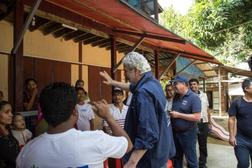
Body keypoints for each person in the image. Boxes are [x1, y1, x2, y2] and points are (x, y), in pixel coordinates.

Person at [16, 82, 132, 167]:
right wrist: (109, 118)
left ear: (44, 114)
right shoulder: (96, 140)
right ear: (74, 112)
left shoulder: (27, 151)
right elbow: (128, 146)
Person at [100, 52, 175, 168]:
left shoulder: (143, 93)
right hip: (161, 151)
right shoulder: (153, 83)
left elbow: (148, 134)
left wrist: (132, 162)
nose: (125, 75)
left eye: (126, 71)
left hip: (149, 159)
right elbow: (131, 87)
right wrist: (112, 82)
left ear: (136, 70)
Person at [170, 76, 201, 168]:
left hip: (188, 134)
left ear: (184, 84)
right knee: (176, 158)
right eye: (173, 84)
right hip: (175, 133)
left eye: (175, 83)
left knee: (191, 160)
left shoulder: (194, 97)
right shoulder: (176, 97)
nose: (174, 86)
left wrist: (178, 115)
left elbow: (197, 117)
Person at [228, 78, 252, 168]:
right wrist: (231, 136)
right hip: (242, 140)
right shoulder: (237, 102)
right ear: (246, 89)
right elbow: (231, 119)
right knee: (243, 164)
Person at [103, 87, 129, 168]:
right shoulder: (109, 108)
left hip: (127, 140)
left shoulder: (128, 109)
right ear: (112, 97)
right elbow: (106, 127)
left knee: (127, 162)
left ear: (123, 96)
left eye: (119, 94)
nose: (117, 97)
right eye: (115, 95)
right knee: (115, 164)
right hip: (114, 140)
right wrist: (113, 138)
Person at [189, 78, 211, 168]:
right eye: (191, 84)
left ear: (198, 85)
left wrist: (209, 122)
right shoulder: (188, 96)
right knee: (191, 145)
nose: (193, 86)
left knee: (203, 144)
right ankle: (192, 163)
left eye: (194, 84)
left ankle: (202, 163)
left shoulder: (204, 95)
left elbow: (207, 109)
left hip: (203, 123)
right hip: (192, 123)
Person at [0, 101, 19, 168]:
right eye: (7, 112)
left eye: (11, 111)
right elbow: (12, 156)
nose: (11, 115)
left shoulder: (7, 129)